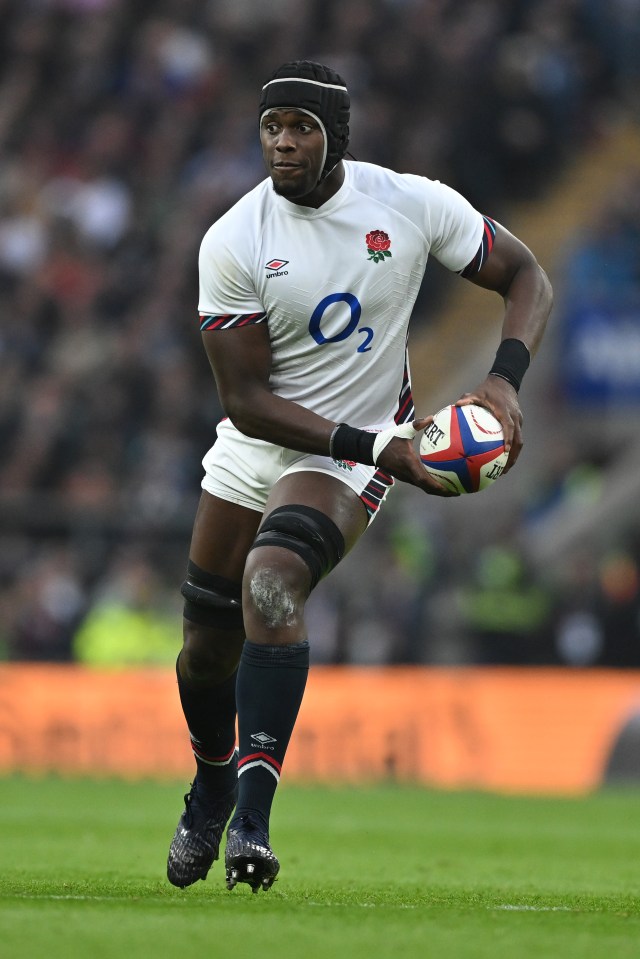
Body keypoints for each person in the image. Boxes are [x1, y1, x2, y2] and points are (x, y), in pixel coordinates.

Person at [166, 59, 552, 894]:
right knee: (204, 648)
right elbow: (247, 398)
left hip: (352, 449)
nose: (282, 143)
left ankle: (253, 828)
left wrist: (503, 381)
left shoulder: (410, 204)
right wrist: (383, 448)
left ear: (334, 134)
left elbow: (527, 275)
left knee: (272, 585)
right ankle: (210, 781)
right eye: (272, 128)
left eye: (300, 127)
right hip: (263, 437)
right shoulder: (234, 238)